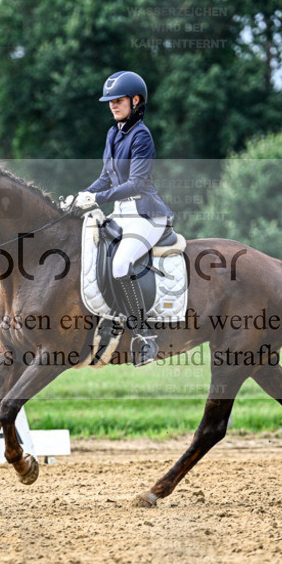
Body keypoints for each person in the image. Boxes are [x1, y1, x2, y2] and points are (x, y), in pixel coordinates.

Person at [65, 71, 174, 366]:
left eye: (119, 100)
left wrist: (98, 199)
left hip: (147, 215)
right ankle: (108, 321)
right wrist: (81, 195)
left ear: (135, 101)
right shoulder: (113, 133)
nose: (113, 105)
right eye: (110, 101)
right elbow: (105, 178)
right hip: (123, 214)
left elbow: (136, 183)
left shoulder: (142, 136)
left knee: (121, 264)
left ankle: (144, 337)